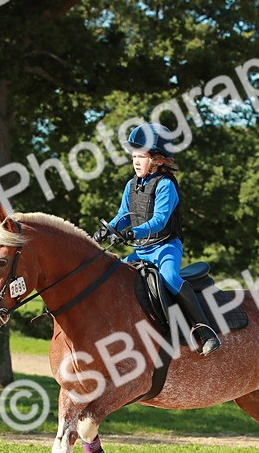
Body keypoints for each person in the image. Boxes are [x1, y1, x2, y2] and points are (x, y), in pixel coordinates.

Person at [93, 123, 221, 356]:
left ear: (158, 159)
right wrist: (108, 230)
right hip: (141, 250)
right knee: (116, 275)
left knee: (170, 276)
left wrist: (133, 233)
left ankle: (205, 330)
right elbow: (123, 215)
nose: (136, 161)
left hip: (166, 247)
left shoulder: (166, 185)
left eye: (141, 156)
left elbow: (160, 221)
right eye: (133, 156)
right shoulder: (131, 185)